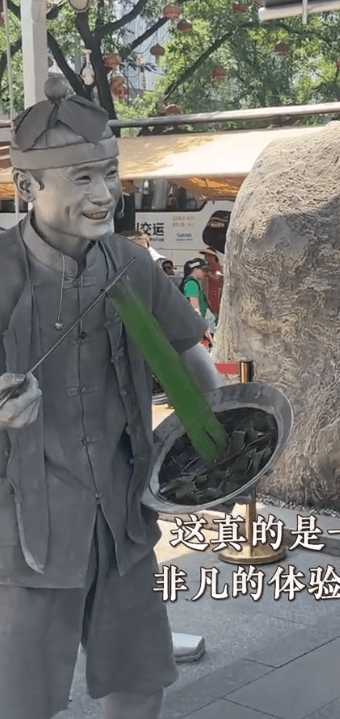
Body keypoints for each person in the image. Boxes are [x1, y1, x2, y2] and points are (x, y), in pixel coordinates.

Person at [0, 77, 224, 719]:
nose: (104, 195)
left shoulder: (130, 264)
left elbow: (189, 356)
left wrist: (223, 438)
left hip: (122, 518)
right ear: (28, 186)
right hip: (24, 531)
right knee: (20, 696)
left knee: (140, 679)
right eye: (81, 179)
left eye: (108, 174)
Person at [180, 258, 216, 347]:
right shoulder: (191, 284)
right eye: (203, 270)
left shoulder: (192, 283)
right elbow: (195, 307)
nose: (205, 273)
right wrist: (203, 328)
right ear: (195, 269)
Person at [200, 247, 223, 322]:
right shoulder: (206, 266)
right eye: (205, 255)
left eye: (208, 255)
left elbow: (217, 279)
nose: (206, 257)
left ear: (213, 256)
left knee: (214, 310)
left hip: (215, 291)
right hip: (207, 290)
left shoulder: (217, 266)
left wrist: (208, 272)